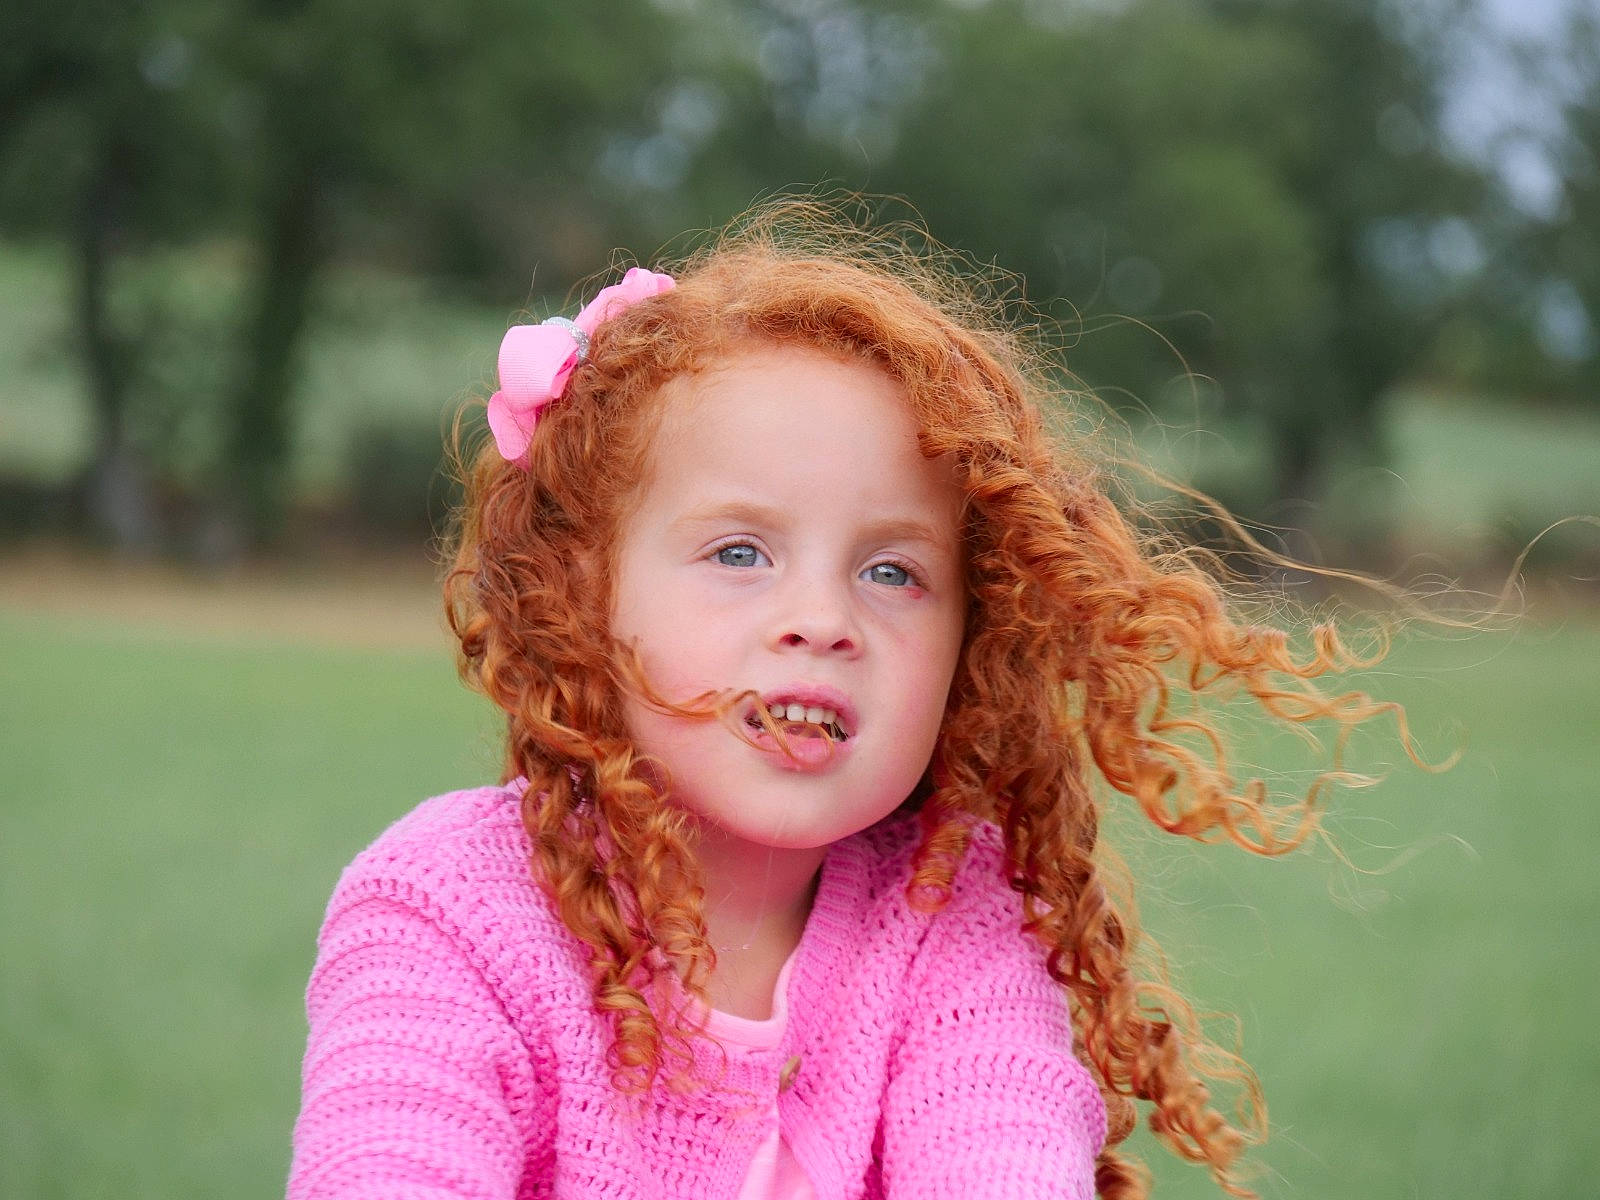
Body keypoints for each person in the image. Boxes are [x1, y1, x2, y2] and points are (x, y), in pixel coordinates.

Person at [287, 202, 1411, 1199]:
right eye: (738, 552)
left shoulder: (950, 918)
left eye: (892, 573)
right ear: (584, 593)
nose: (822, 618)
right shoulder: (446, 909)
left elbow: (1003, 1154)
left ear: (972, 647)